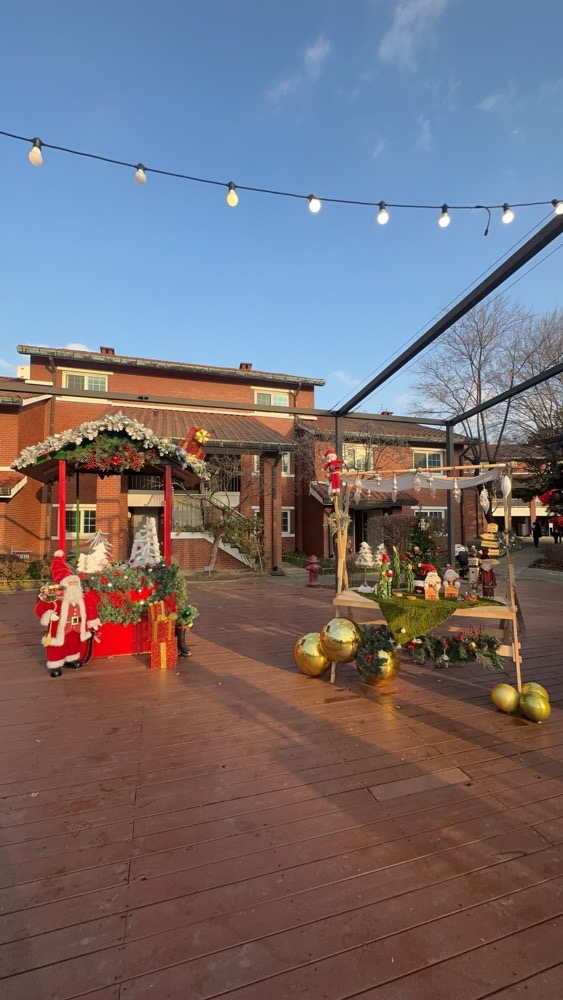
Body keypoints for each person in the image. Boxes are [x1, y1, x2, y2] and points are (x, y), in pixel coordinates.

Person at [35, 551, 101, 677]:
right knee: (56, 646)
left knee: (74, 643)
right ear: (63, 585)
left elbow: (91, 606)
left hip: (77, 627)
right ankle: (55, 664)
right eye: (70, 583)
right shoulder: (54, 597)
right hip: (60, 627)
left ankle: (71, 659)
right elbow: (40, 607)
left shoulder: (83, 598)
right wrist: (48, 615)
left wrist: (92, 622)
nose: (73, 585)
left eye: (75, 582)